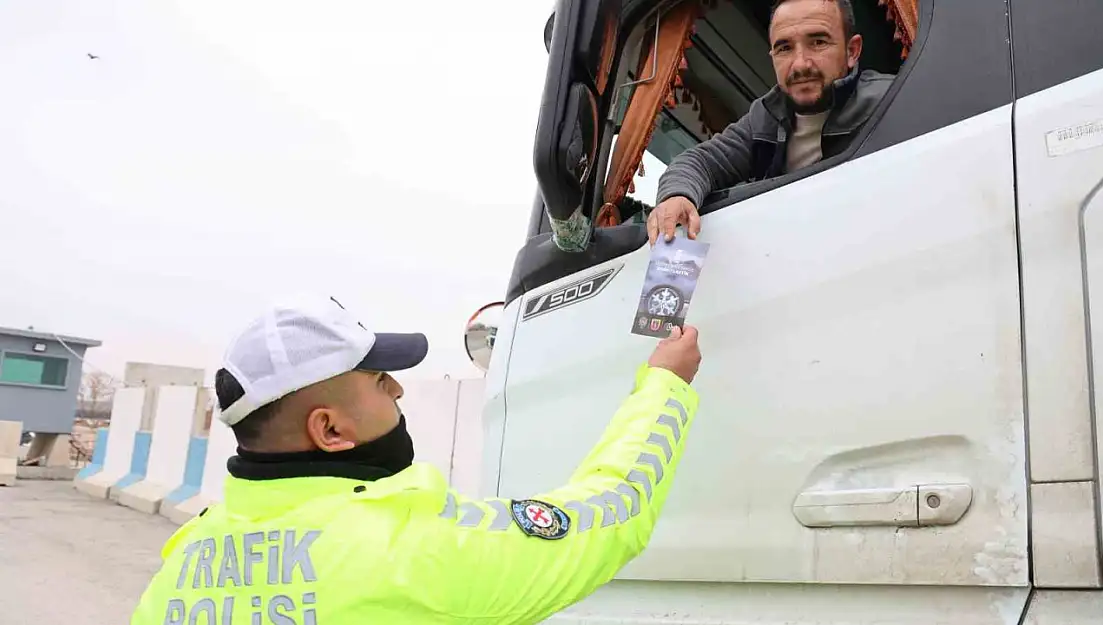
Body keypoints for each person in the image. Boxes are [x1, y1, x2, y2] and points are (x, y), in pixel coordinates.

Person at [130, 294, 704, 624]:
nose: (399, 392)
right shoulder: (414, 552)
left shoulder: (181, 569)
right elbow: (612, 512)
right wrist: (664, 384)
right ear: (329, 429)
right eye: (381, 381)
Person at [648, 0, 895, 245]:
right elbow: (701, 162)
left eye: (818, 42)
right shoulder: (764, 118)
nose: (800, 64)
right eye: (784, 48)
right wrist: (677, 195)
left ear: (852, 51)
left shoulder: (894, 99)